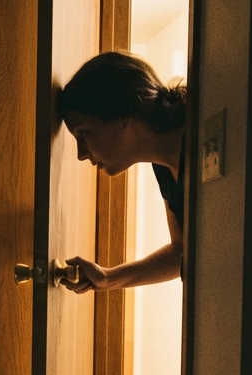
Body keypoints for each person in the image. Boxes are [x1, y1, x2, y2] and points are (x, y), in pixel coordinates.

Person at [55, 51, 186, 293]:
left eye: (84, 134)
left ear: (124, 114)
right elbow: (182, 251)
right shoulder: (165, 165)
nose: (81, 154)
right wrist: (108, 278)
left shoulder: (198, 143)